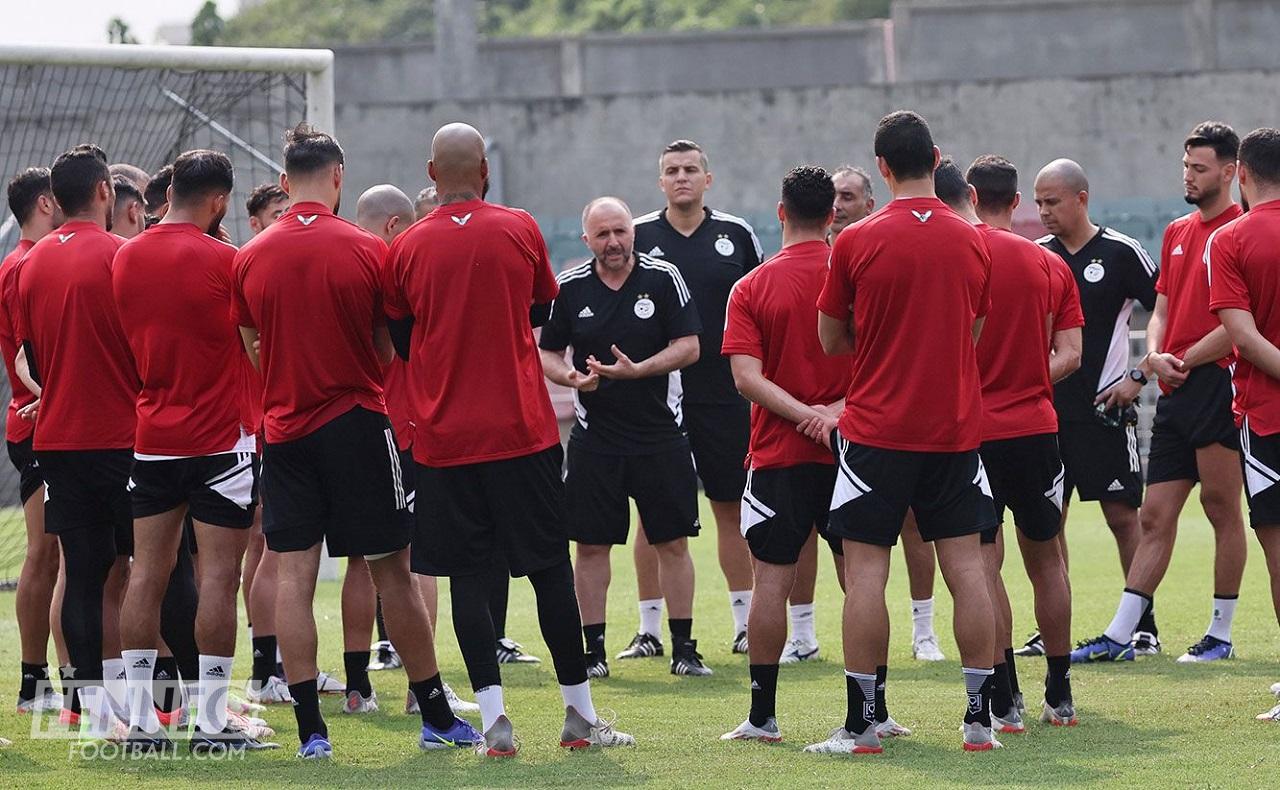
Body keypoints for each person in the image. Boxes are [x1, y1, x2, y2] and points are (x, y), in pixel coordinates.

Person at [383, 122, 634, 756]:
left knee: (469, 578)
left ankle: (495, 724)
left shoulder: (407, 247)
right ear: (487, 172)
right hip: (522, 433)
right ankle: (579, 715)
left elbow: (403, 337)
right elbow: (540, 310)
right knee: (550, 571)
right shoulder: (519, 228)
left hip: (444, 440)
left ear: (432, 173)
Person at [232, 123, 477, 758]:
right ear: (338, 178)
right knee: (393, 569)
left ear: (284, 183)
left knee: (294, 575)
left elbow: (250, 340)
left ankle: (313, 731)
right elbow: (388, 341)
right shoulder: (371, 251)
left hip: (284, 432)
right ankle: (435, 716)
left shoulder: (250, 255)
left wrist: (287, 379)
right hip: (358, 425)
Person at [806, 111, 999, 755]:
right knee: (967, 568)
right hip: (955, 429)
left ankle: (862, 726)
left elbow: (830, 339)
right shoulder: (973, 239)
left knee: (865, 572)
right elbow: (972, 335)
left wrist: (884, 341)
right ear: (936, 156)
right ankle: (979, 719)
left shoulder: (855, 241)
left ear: (881, 167)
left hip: (877, 430)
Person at [720, 165, 908, 742]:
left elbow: (746, 378)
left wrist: (802, 414)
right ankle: (874, 711)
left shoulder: (751, 286)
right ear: (832, 214)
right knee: (863, 581)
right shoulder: (857, 276)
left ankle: (763, 717)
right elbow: (887, 363)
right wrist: (835, 411)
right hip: (856, 449)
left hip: (779, 455)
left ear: (781, 212)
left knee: (771, 580)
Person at [112, 149, 273, 753]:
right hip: (220, 442)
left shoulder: (125, 258)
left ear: (171, 189)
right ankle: (209, 721)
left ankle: (140, 723)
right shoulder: (227, 261)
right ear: (221, 201)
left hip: (153, 437)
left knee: (144, 574)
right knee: (216, 577)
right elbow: (257, 344)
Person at [1072, 123, 1247, 664]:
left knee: (1221, 507)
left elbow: (1241, 322)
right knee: (1153, 515)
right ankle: (1124, 634)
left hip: (1218, 383)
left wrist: (1180, 358)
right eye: (1185, 166)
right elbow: (1163, 309)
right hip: (1175, 386)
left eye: (1199, 168)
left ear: (1230, 172)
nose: (1189, 177)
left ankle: (1219, 633)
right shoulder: (1175, 232)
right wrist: (1153, 357)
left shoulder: (1239, 232)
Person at [939, 156, 1083, 730]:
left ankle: (1005, 696)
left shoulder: (957, 258)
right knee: (1048, 560)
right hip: (1036, 429)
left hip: (972, 432)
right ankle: (1061, 690)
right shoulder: (1048, 263)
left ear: (972, 196)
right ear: (1018, 201)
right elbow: (1071, 353)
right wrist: (1027, 378)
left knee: (983, 565)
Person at [540, 197, 708, 680]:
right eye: (603, 235)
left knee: (672, 542)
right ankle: (592, 652)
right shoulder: (568, 288)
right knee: (591, 547)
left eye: (621, 232)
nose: (614, 242)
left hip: (661, 435)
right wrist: (570, 378)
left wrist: (641, 371)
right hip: (597, 440)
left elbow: (690, 347)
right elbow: (548, 353)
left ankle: (684, 647)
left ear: (632, 233)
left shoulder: (662, 278)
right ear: (586, 238)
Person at [783, 164, 945, 665]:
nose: (842, 204)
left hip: (873, 419)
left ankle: (924, 629)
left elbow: (896, 350)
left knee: (911, 526)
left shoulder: (881, 257)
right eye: (836, 197)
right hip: (815, 424)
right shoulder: (813, 265)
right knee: (814, 529)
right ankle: (803, 633)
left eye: (850, 196)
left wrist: (841, 406)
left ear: (868, 203)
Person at [11, 144, 138, 734]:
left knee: (83, 573)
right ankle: (171, 703)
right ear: (105, 191)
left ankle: (88, 708)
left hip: (58, 440)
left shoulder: (28, 266)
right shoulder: (121, 255)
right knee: (158, 569)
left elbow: (27, 356)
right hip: (123, 435)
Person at [348, 183, 478, 718]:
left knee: (358, 563)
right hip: (402, 425)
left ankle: (357, 687)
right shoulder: (397, 270)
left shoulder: (341, 265)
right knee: (416, 563)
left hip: (338, 429)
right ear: (398, 226)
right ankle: (418, 691)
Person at [1020, 158, 1159, 658]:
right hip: (1047, 412)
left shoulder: (1122, 252)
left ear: (1081, 198)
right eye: (1037, 202)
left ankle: (1142, 626)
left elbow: (1163, 307)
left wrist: (1138, 373)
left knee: (1123, 517)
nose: (1044, 211)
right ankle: (1052, 631)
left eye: (1052, 201)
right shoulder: (1037, 256)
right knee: (1047, 524)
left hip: (1103, 413)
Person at [630, 139, 761, 656]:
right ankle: (648, 629)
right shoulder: (637, 235)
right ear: (660, 182)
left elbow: (759, 305)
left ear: (708, 179)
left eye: (690, 169)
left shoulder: (736, 234)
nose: (681, 177)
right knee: (653, 515)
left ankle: (746, 621)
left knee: (731, 508)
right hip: (657, 398)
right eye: (671, 171)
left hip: (725, 394)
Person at [1208, 126, 1280, 722]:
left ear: (1244, 175)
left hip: (1269, 417)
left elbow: (1244, 337)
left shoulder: (1230, 239)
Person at [1, 167, 66, 715]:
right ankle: (36, 683)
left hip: (46, 424)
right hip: (40, 425)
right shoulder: (26, 264)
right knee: (49, 555)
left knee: (62, 556)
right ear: (47, 202)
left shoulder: (33, 260)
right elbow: (28, 360)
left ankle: (61, 683)